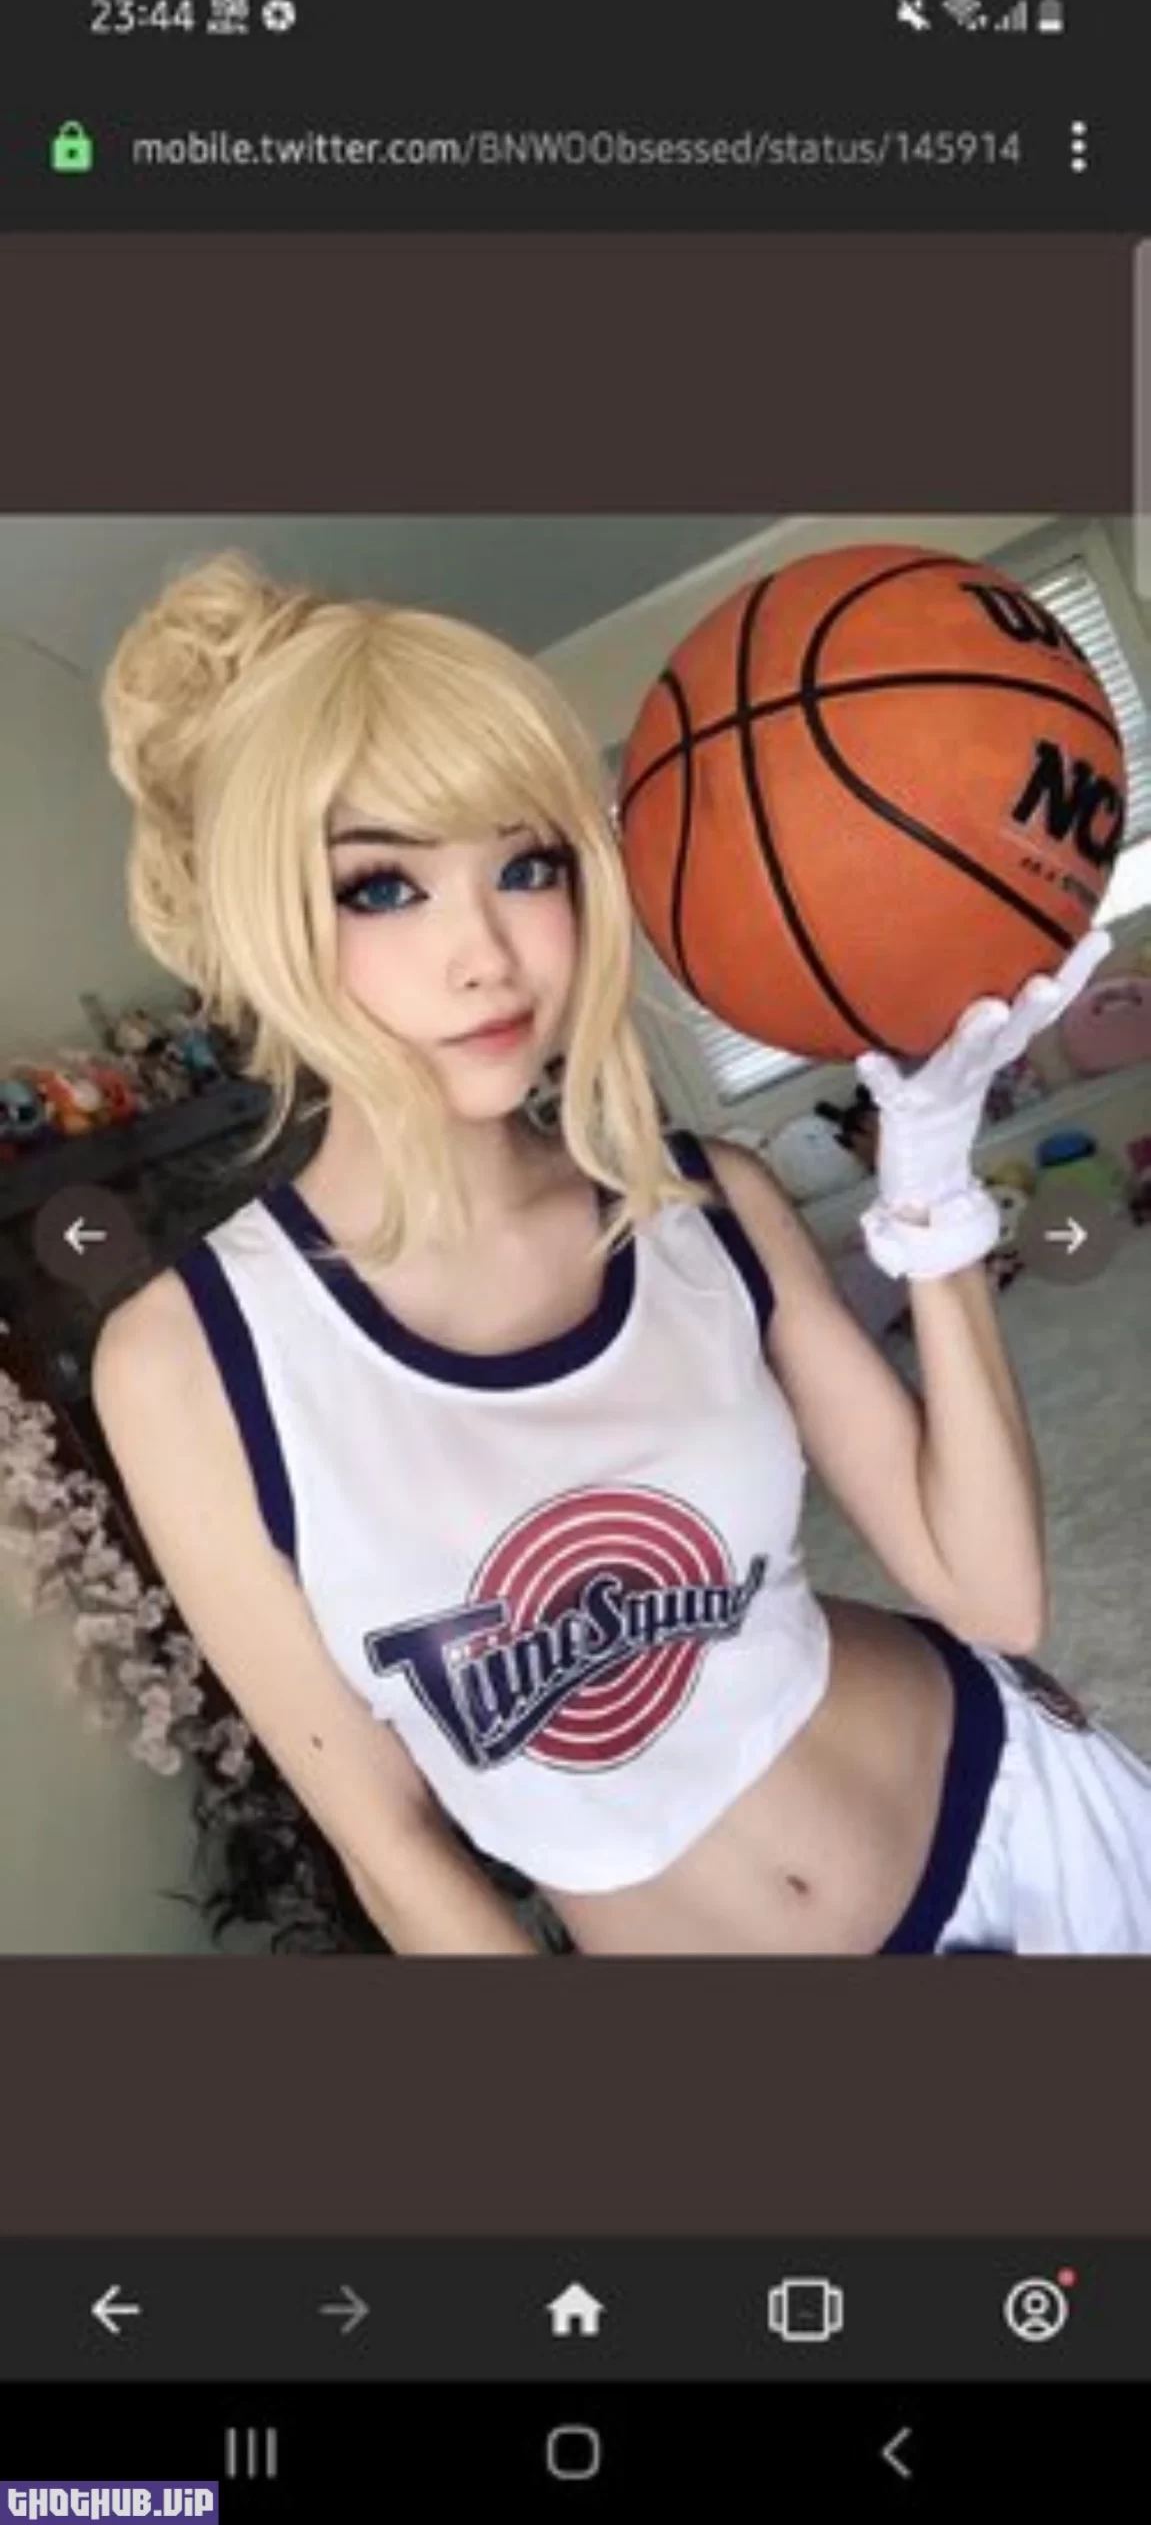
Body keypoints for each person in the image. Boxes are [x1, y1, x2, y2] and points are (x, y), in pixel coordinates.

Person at [91, 551, 1151, 1957]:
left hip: (1023, 1821)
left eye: (527, 866)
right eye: (381, 887)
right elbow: (391, 1848)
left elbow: (994, 1595)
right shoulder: (186, 1363)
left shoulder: (708, 1203)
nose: (488, 952)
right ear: (260, 920)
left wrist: (935, 1192)